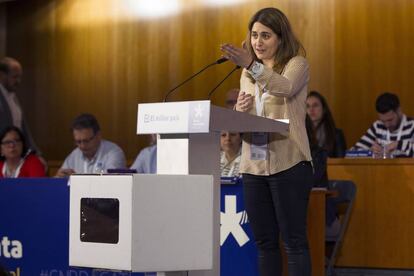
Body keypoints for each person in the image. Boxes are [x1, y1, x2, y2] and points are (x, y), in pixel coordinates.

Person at [221, 7, 313, 276]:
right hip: (253, 167)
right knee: (264, 243)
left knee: (293, 243)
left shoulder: (297, 64)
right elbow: (249, 118)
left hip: (290, 162)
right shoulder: (247, 74)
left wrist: (251, 64)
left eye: (265, 36)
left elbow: (283, 88)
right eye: (254, 36)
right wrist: (240, 109)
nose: (257, 42)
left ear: (280, 38)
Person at [56, 113, 126, 177]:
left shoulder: (114, 153)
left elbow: (110, 182)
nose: (82, 146)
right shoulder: (74, 155)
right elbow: (58, 182)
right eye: (78, 142)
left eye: (86, 141)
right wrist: (58, 178)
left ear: (98, 135)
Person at [354, 92, 414, 158]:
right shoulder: (377, 126)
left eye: (390, 120)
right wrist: (370, 152)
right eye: (383, 121)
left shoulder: (412, 125)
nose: (387, 125)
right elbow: (352, 153)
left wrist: (398, 144)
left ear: (399, 110)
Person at [0, 57, 40, 153]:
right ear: (2, 75)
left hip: (15, 154)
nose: (18, 81)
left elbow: (23, 129)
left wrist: (35, 153)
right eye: (14, 77)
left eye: (19, 77)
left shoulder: (13, 97)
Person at [306, 91, 347, 157]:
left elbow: (340, 163)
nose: (311, 109)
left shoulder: (337, 134)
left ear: (324, 109)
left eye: (315, 105)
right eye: (307, 106)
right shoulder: (302, 134)